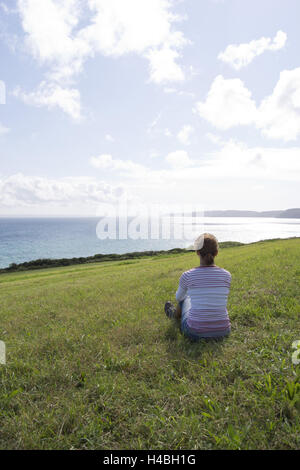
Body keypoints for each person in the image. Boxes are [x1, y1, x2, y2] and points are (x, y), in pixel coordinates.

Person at [164, 233, 231, 341]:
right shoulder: (227, 275)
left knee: (184, 298)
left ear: (197, 252)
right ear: (216, 253)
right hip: (223, 331)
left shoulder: (187, 275)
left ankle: (174, 315)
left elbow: (178, 298)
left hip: (194, 332)